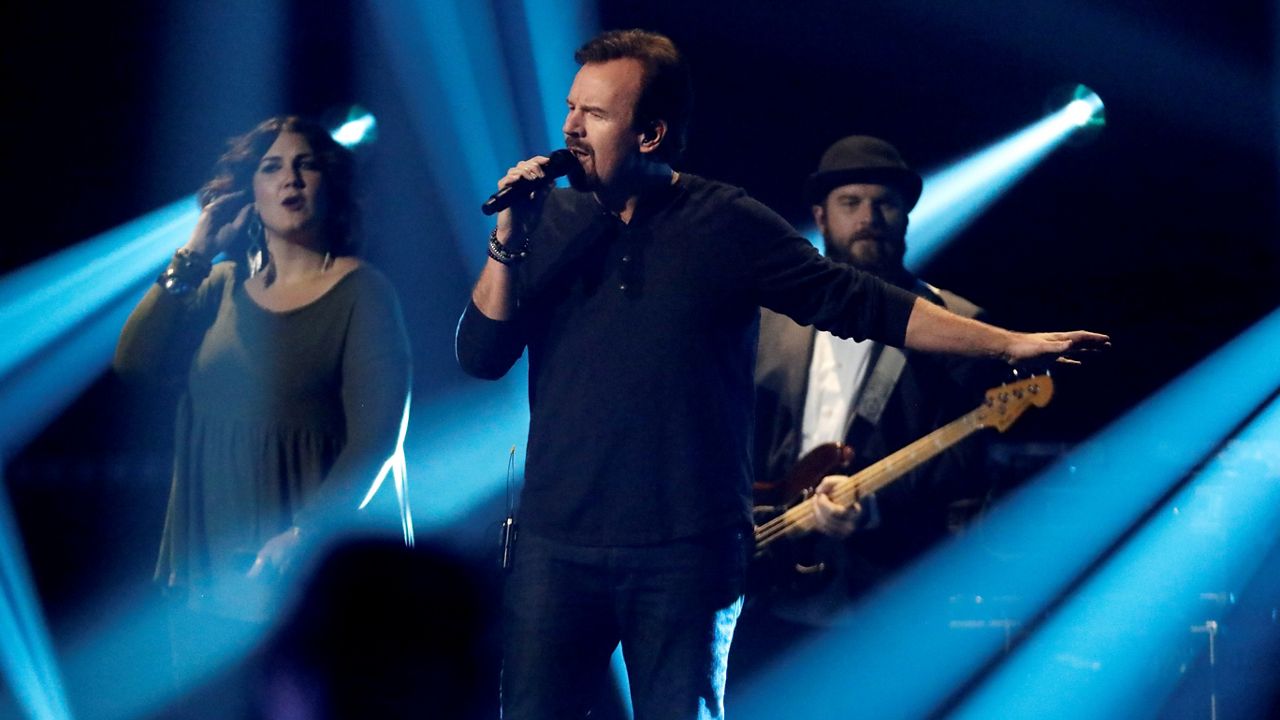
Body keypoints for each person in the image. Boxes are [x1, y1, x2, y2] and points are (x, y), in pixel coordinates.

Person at [454, 29, 1106, 720]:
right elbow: (481, 356)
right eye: (570, 108)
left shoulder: (724, 224)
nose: (569, 129)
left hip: (686, 554)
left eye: (595, 115)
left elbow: (859, 303)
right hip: (557, 549)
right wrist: (508, 239)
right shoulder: (547, 220)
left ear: (650, 134)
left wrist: (1004, 343)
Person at [114, 116, 412, 669]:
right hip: (204, 573)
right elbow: (134, 359)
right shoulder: (218, 285)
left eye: (306, 166)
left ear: (331, 183)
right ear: (250, 190)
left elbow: (377, 439)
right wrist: (197, 249)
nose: (290, 180)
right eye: (271, 168)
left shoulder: (363, 291)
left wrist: (305, 534)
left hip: (306, 569)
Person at [731, 136, 1004, 681]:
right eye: (850, 203)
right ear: (820, 217)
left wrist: (872, 504)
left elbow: (966, 459)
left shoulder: (959, 323)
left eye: (884, 203)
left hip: (892, 589)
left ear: (906, 215)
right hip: (771, 586)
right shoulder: (766, 320)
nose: (869, 218)